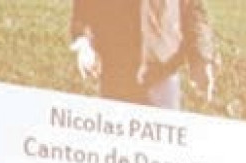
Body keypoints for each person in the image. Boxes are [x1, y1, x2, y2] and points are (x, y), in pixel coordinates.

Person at [70, 0, 215, 109]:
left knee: (162, 144)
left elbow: (194, 10)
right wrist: (83, 41)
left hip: (162, 75)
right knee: (115, 144)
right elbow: (85, 7)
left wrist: (201, 59)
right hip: (116, 73)